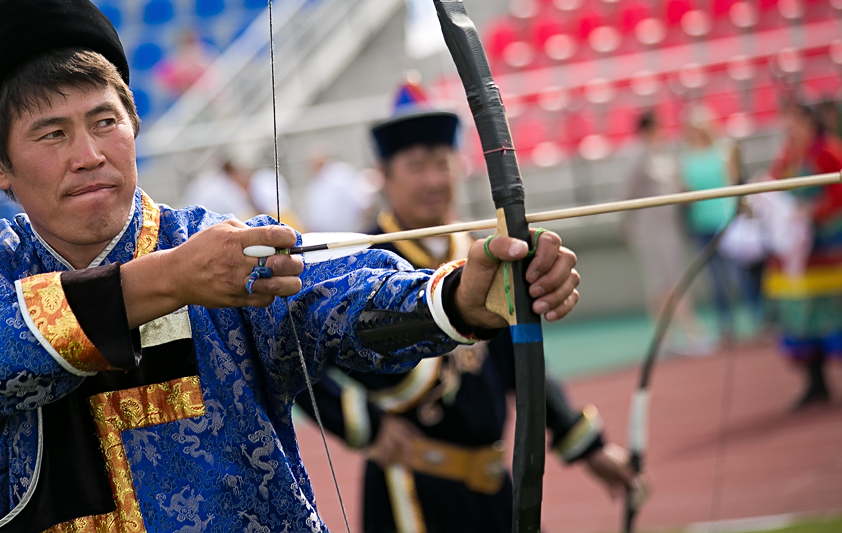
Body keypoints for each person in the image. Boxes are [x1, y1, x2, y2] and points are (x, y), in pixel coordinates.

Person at [0, 0, 581, 531]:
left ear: (135, 121)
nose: (89, 154)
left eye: (104, 121)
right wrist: (171, 277)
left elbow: (336, 299)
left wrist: (462, 297)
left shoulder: (224, 246)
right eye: (52, 134)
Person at [295, 91, 637, 531]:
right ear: (383, 176)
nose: (434, 180)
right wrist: (365, 426)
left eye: (442, 163)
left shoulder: (479, 253)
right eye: (415, 166)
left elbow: (519, 359)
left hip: (493, 485)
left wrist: (586, 445)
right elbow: (295, 348)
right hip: (410, 491)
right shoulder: (363, 258)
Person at [763, 101, 842, 409]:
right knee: (802, 317)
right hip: (797, 253)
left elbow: (837, 194)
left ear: (810, 123)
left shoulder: (828, 151)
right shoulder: (787, 155)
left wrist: (812, 211)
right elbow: (774, 188)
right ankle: (816, 383)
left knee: (833, 311)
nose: (789, 127)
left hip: (826, 246)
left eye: (794, 120)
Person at [622, 110, 715, 356]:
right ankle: (673, 336)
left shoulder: (662, 153)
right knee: (661, 283)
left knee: (673, 279)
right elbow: (628, 193)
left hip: (669, 228)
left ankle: (681, 334)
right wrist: (628, 225)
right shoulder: (638, 155)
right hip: (649, 229)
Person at [679, 107, 743, 339]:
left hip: (724, 221)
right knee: (715, 279)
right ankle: (726, 324)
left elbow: (734, 181)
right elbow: (684, 190)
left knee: (736, 272)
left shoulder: (722, 150)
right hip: (700, 223)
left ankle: (755, 316)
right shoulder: (687, 157)